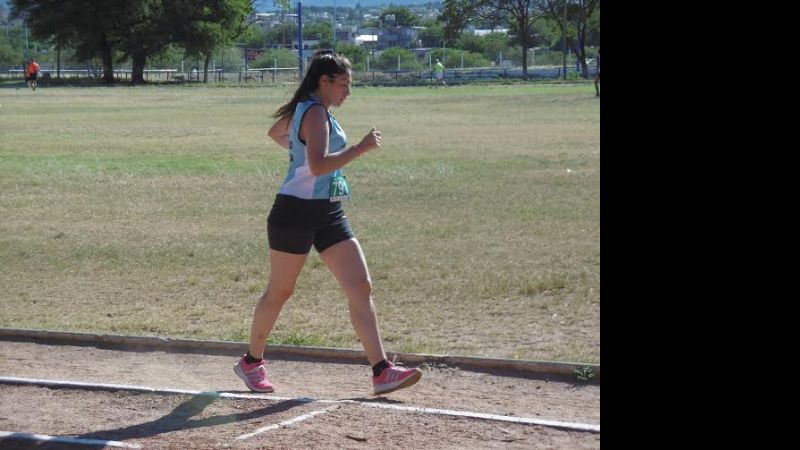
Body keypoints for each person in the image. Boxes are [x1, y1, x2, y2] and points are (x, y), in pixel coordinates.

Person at [233, 49, 423, 396]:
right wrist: (360, 148)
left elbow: (279, 133)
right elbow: (318, 165)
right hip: (295, 211)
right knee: (280, 291)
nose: (347, 92)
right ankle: (251, 362)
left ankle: (382, 371)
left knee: (360, 286)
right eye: (344, 85)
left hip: (329, 211)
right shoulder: (315, 112)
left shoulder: (316, 112)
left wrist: (298, 153)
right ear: (325, 81)